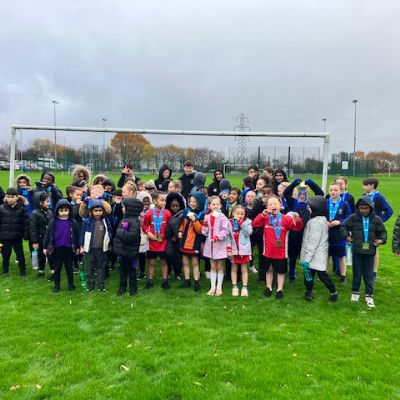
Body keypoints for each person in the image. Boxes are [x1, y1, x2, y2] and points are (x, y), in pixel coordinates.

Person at [252, 195, 303, 299]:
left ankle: (280, 289)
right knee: (269, 270)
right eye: (270, 204)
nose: (273, 206)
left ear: (280, 206)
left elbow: (297, 228)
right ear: (267, 207)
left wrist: (297, 219)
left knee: (281, 271)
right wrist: (262, 214)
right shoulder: (265, 218)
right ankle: (269, 287)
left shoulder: (286, 218)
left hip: (281, 252)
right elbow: (255, 223)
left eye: (275, 203)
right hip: (268, 251)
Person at [341, 196, 387, 308]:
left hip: (370, 251)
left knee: (368, 274)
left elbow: (383, 232)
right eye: (361, 208)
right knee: (357, 273)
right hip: (357, 250)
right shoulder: (353, 218)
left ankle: (369, 295)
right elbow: (343, 226)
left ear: (371, 208)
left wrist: (381, 240)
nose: (364, 210)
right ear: (358, 208)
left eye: (366, 208)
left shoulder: (377, 219)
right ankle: (355, 292)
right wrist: (346, 236)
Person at [283, 178, 324, 283]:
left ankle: (309, 276)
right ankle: (292, 275)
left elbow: (320, 194)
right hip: (294, 233)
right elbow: (286, 193)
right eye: (300, 192)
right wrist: (293, 184)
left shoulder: (311, 203)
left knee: (308, 257)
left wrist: (311, 183)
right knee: (292, 256)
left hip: (307, 234)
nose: (302, 194)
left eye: (304, 193)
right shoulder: (293, 202)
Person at [300, 196, 338, 302]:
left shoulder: (315, 223)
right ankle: (308, 292)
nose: (308, 209)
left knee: (322, 275)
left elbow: (313, 242)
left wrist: (307, 258)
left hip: (315, 255)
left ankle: (333, 292)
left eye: (310, 207)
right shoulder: (320, 219)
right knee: (309, 275)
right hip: (315, 254)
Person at [43, 199, 80, 292]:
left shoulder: (73, 222)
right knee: (57, 268)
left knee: (69, 268)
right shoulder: (53, 222)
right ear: (57, 211)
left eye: (66, 210)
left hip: (69, 249)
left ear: (69, 211)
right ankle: (56, 285)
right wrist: (44, 247)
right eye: (61, 210)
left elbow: (77, 235)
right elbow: (47, 235)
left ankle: (71, 285)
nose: (64, 213)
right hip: (57, 249)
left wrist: (78, 247)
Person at [362, 177, 393, 280]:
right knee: (365, 248)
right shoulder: (363, 196)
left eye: (366, 185)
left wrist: (379, 221)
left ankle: (374, 273)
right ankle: (366, 270)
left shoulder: (379, 197)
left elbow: (389, 211)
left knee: (374, 250)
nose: (363, 187)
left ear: (372, 185)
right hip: (364, 227)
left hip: (374, 229)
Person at [80, 200, 112, 292]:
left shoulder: (105, 221)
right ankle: (90, 285)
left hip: (101, 249)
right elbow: (82, 233)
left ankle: (101, 285)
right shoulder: (87, 221)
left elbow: (110, 231)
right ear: (91, 212)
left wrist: (108, 239)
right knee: (89, 268)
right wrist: (81, 246)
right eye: (95, 211)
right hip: (89, 249)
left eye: (100, 211)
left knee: (101, 268)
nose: (98, 213)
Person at [113, 197, 142, 296]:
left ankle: (133, 290)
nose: (122, 209)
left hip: (130, 252)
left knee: (131, 271)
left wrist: (119, 232)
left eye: (124, 207)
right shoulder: (125, 218)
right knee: (122, 271)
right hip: (123, 251)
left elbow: (132, 236)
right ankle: (122, 288)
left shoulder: (134, 222)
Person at [202, 196, 231, 296]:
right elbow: (205, 233)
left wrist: (218, 237)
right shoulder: (207, 217)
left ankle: (219, 287)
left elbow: (225, 230)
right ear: (209, 206)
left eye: (217, 204)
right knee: (212, 266)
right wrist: (205, 225)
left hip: (220, 245)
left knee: (220, 266)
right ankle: (212, 287)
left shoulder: (223, 217)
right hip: (210, 246)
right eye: (213, 204)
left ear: (221, 206)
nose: (215, 206)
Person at [142, 191, 172, 289]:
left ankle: (165, 280)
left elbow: (170, 226)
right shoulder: (149, 213)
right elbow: (144, 225)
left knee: (164, 261)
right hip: (152, 242)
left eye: (165, 201)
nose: (164, 203)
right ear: (155, 201)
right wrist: (148, 232)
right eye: (162, 200)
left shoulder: (167, 213)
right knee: (151, 262)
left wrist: (166, 235)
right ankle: (150, 280)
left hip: (163, 242)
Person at [178, 192, 207, 291]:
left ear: (200, 202)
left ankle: (196, 282)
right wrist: (180, 231)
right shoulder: (186, 211)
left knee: (195, 263)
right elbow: (182, 224)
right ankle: (187, 280)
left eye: (195, 201)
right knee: (185, 261)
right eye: (191, 201)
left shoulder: (202, 214)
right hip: (184, 241)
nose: (192, 203)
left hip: (194, 243)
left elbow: (200, 231)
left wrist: (195, 220)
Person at [0, 188, 29, 276]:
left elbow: (26, 223)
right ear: (6, 197)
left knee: (20, 254)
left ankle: (22, 270)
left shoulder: (22, 208)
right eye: (8, 197)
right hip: (5, 236)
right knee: (6, 254)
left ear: (17, 197)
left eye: (12, 197)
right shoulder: (1, 208)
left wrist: (26, 234)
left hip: (17, 236)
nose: (10, 199)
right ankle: (5, 270)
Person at [326, 182, 351, 283]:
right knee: (326, 255)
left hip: (339, 233)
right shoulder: (326, 202)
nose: (333, 192)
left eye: (336, 190)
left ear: (341, 191)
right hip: (327, 233)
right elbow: (321, 213)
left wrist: (339, 222)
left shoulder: (344, 204)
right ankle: (325, 275)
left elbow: (349, 216)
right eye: (331, 190)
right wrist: (325, 221)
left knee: (341, 256)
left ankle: (343, 276)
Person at [226, 205, 253, 297]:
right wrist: (229, 249)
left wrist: (241, 223)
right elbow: (228, 237)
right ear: (233, 214)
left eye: (242, 214)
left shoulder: (248, 222)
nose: (240, 215)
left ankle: (244, 287)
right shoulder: (229, 223)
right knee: (234, 269)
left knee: (244, 269)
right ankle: (235, 286)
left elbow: (249, 232)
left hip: (244, 251)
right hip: (234, 250)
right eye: (237, 213)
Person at [29, 192, 53, 278]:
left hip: (49, 239)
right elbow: (33, 229)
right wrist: (35, 241)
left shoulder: (50, 212)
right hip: (40, 238)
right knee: (41, 255)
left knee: (51, 254)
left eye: (49, 201)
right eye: (47, 201)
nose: (49, 203)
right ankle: (41, 270)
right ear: (40, 202)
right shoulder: (35, 214)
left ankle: (53, 271)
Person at [165, 192, 185, 281]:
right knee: (169, 256)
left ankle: (178, 272)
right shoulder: (167, 215)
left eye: (177, 206)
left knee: (178, 257)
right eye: (173, 206)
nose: (175, 208)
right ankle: (168, 272)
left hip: (179, 239)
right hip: (169, 239)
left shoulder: (182, 215)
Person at [136, 191, 152, 280]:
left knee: (150, 253)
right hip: (139, 232)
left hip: (149, 233)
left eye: (147, 201)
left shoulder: (152, 210)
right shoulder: (137, 210)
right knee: (140, 253)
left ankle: (149, 271)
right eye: (144, 201)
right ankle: (140, 270)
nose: (146, 203)